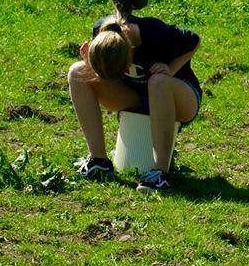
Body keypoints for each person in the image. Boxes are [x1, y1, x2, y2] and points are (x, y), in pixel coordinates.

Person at [68, 14, 202, 192]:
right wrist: (92, 63)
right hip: (135, 97)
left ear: (132, 50)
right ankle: (98, 160)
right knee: (77, 72)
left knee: (158, 81)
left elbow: (194, 40)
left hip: (178, 100)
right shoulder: (102, 33)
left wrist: (171, 69)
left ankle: (160, 173)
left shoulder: (154, 32)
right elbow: (104, 70)